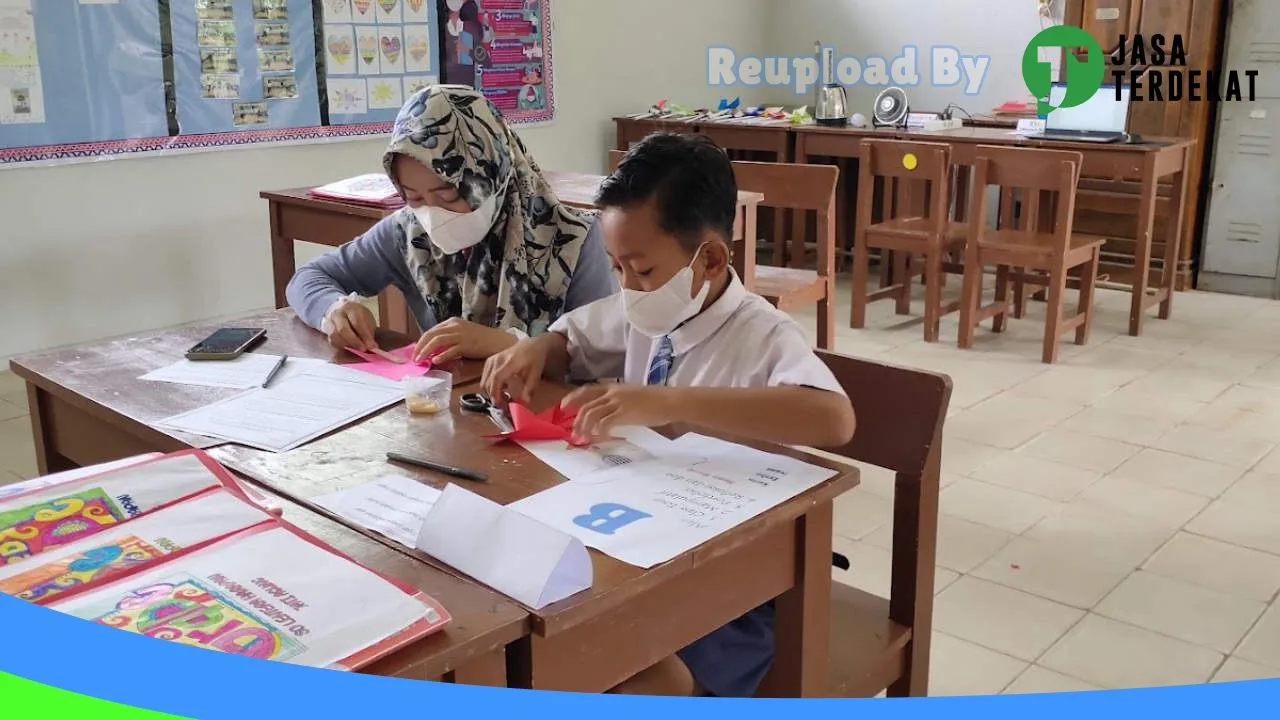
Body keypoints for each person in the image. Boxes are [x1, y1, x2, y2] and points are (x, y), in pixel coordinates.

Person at [481, 132, 857, 696]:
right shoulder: (645, 310)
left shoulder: (760, 332)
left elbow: (834, 419)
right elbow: (573, 336)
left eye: (643, 270)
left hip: (739, 581)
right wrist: (537, 348)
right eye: (616, 268)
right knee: (545, 639)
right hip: (645, 546)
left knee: (624, 672)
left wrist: (670, 402)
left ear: (709, 258)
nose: (628, 288)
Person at [286, 84, 616, 363]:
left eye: (447, 196)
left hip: (548, 424)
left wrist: (506, 346)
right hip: (454, 414)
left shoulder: (573, 242)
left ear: (492, 174)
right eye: (414, 198)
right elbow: (309, 278)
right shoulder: (409, 234)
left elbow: (603, 356)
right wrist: (331, 309)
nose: (432, 214)